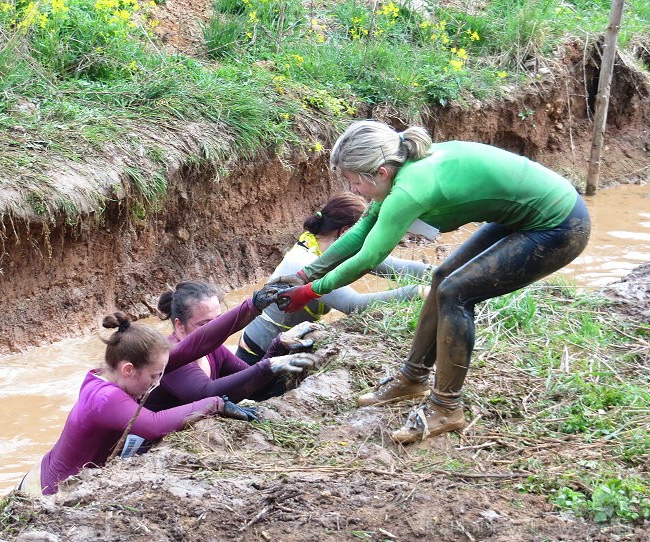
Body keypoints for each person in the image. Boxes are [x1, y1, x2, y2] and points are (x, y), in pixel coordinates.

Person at [267, 120, 591, 444]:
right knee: (442, 278)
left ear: (379, 172)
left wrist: (310, 292)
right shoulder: (399, 170)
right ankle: (412, 378)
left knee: (456, 292)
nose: (352, 191)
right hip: (524, 216)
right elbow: (361, 233)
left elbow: (368, 257)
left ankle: (447, 407)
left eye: (354, 183)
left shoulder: (408, 189)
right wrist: (304, 274)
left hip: (559, 224)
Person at [19, 307, 268, 496]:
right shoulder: (105, 398)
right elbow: (153, 424)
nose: (158, 382)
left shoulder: (107, 373)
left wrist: (251, 306)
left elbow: (191, 348)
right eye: (154, 375)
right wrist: (216, 404)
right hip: (48, 493)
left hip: (43, 471)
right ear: (129, 369)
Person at [236, 192, 430, 365]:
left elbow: (397, 268)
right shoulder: (302, 262)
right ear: (346, 232)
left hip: (285, 346)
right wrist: (419, 292)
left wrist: (447, 272)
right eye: (366, 234)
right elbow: (354, 306)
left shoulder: (327, 246)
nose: (371, 241)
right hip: (256, 355)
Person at [143, 281, 319, 413]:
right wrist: (267, 366)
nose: (217, 329)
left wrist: (278, 345)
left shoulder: (214, 350)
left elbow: (256, 388)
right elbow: (206, 394)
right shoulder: (169, 356)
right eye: (205, 324)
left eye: (219, 320)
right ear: (179, 325)